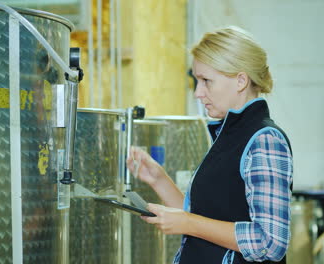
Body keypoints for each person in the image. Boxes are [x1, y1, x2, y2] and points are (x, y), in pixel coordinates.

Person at [126, 26, 293, 264]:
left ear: (241, 81)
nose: (197, 93)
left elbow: (270, 242)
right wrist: (158, 179)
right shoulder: (229, 135)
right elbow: (203, 218)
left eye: (206, 81)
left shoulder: (264, 140)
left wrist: (189, 223)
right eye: (197, 81)